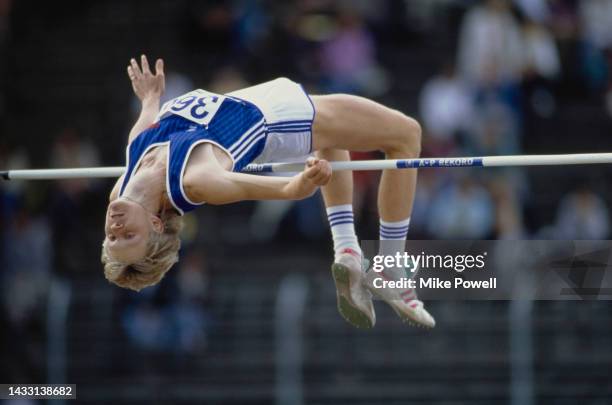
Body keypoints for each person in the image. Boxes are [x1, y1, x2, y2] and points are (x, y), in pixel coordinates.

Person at [102, 55, 434, 329]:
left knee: (334, 141)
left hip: (268, 101)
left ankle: (348, 252)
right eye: (129, 235)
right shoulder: (195, 180)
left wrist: (149, 98)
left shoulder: (126, 180)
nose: (116, 228)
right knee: (406, 135)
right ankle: (391, 264)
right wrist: (302, 183)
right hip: (282, 119)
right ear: (155, 225)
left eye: (112, 237)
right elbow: (282, 189)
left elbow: (146, 125)